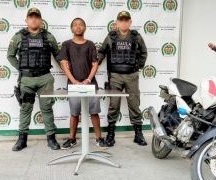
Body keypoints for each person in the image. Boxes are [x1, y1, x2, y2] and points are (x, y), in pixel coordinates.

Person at [7, 8, 61, 151]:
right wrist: (21, 67)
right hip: (27, 79)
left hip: (45, 79)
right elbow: (10, 55)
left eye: (37, 17)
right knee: (25, 108)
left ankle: (51, 139)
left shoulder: (48, 36)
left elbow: (58, 55)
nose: (34, 19)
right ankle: (22, 140)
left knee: (47, 109)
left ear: (41, 20)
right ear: (26, 20)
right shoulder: (19, 36)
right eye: (31, 17)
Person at [98, 11, 148, 147]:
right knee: (114, 104)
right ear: (117, 22)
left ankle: (138, 134)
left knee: (134, 104)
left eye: (126, 20)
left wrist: (138, 66)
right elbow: (102, 51)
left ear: (130, 22)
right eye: (121, 20)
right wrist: (95, 64)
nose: (124, 22)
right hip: (115, 76)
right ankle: (110, 134)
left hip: (132, 75)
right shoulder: (111, 36)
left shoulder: (136, 37)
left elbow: (144, 52)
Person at [58, 18, 108, 149]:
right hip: (73, 85)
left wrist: (88, 80)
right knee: (74, 113)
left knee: (94, 112)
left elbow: (95, 64)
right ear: (71, 28)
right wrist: (74, 81)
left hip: (90, 85)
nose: (78, 27)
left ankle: (99, 138)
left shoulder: (90, 44)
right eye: (75, 25)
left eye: (81, 24)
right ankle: (72, 139)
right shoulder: (66, 44)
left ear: (85, 28)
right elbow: (64, 64)